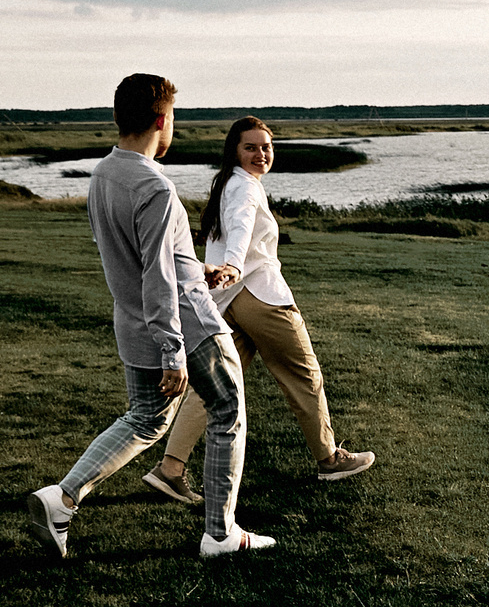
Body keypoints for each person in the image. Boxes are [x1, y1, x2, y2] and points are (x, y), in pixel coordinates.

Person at [27, 72, 274, 558]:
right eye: (174, 119)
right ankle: (221, 534)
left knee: (145, 419)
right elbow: (158, 276)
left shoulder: (103, 174)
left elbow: (140, 256)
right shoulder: (155, 188)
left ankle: (61, 499)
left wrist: (196, 268)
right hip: (185, 324)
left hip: (133, 320)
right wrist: (172, 351)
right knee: (227, 410)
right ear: (162, 120)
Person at [144, 117, 374, 502]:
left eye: (266, 147)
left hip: (226, 301)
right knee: (304, 375)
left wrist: (230, 270)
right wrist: (234, 265)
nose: (261, 154)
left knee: (213, 386)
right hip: (258, 295)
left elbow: (232, 228)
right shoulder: (244, 188)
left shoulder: (228, 185)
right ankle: (330, 459)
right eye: (251, 147)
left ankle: (169, 469)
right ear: (235, 150)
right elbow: (242, 226)